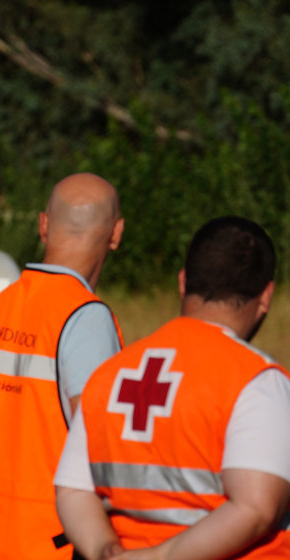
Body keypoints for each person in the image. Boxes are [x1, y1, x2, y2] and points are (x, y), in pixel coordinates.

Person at [55, 216, 290, 559]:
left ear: (183, 282)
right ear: (266, 295)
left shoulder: (111, 375)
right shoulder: (259, 381)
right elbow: (257, 507)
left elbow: (73, 489)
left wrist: (106, 550)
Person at [0, 172, 125, 560]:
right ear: (116, 233)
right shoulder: (86, 316)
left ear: (43, 224)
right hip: (49, 541)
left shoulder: (1, 303)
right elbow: (100, 441)